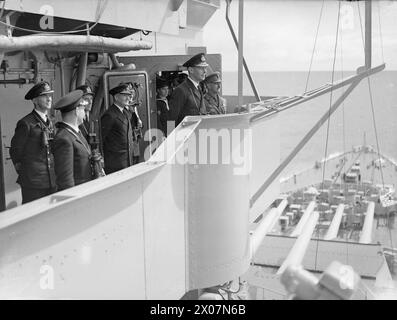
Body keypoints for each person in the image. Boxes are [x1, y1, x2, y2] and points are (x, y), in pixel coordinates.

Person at [9, 81, 56, 204]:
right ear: (35, 100)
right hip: (33, 183)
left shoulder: (50, 122)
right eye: (44, 96)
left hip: (51, 180)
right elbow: (15, 150)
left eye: (50, 95)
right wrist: (27, 172)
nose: (49, 99)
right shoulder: (26, 123)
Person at [52, 90, 93, 191]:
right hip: (78, 194)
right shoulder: (64, 138)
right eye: (83, 108)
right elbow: (66, 180)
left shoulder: (76, 133)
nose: (84, 112)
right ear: (76, 111)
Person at [101, 82, 135, 174]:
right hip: (115, 164)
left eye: (129, 95)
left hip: (127, 161)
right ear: (116, 97)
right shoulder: (110, 115)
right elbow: (101, 139)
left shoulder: (126, 113)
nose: (128, 98)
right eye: (125, 95)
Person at [168, 53, 208, 126]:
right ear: (191, 70)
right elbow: (171, 118)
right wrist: (171, 137)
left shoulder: (199, 88)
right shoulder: (181, 90)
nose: (205, 71)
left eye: (205, 68)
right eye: (201, 68)